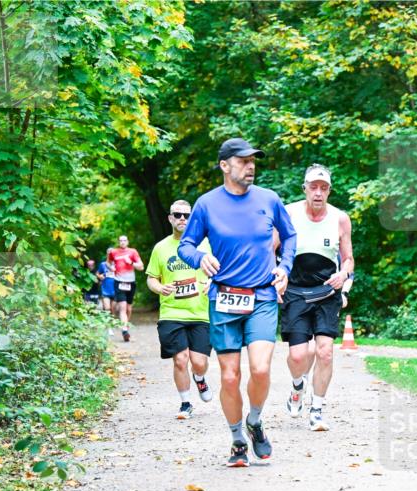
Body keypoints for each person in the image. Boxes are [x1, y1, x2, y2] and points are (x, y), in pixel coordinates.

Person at [178, 138, 296, 468]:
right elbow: (185, 246)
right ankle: (236, 439)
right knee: (229, 377)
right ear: (225, 166)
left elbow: (290, 236)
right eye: (243, 161)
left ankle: (255, 422)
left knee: (259, 369)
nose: (251, 166)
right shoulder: (206, 204)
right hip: (225, 297)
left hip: (262, 295)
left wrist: (284, 268)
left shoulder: (269, 200)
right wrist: (200, 257)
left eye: (253, 160)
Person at [280, 164, 354, 431]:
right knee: (299, 356)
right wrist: (277, 278)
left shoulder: (340, 218)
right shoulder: (288, 213)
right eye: (314, 187)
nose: (318, 193)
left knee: (324, 352)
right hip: (295, 292)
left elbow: (348, 260)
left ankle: (318, 409)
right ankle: (297, 386)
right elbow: (270, 249)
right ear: (305, 189)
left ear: (329, 191)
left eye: (324, 188)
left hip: (326, 292)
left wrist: (343, 275)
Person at [146, 200, 215, 420]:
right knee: (180, 359)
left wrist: (211, 283)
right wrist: (160, 287)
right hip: (172, 313)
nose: (182, 218)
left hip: (200, 313)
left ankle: (200, 378)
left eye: (187, 215)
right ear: (170, 218)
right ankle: (185, 403)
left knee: (199, 362)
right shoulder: (161, 248)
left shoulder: (205, 245)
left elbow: (219, 271)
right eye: (177, 215)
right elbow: (151, 279)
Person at [108, 236, 144, 341]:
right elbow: (108, 263)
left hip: (130, 282)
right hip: (119, 282)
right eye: (120, 240)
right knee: (122, 307)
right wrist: (111, 268)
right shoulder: (113, 252)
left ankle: (125, 326)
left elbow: (141, 267)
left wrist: (131, 263)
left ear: (127, 242)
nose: (122, 242)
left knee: (128, 308)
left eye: (124, 240)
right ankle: (124, 330)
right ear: (118, 242)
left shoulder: (133, 252)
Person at [98, 250, 117, 319]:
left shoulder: (117, 264)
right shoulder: (103, 264)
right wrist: (100, 276)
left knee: (113, 309)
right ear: (107, 255)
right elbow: (98, 273)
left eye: (112, 253)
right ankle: (108, 326)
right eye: (109, 253)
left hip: (115, 290)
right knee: (107, 308)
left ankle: (112, 323)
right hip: (105, 290)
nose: (110, 255)